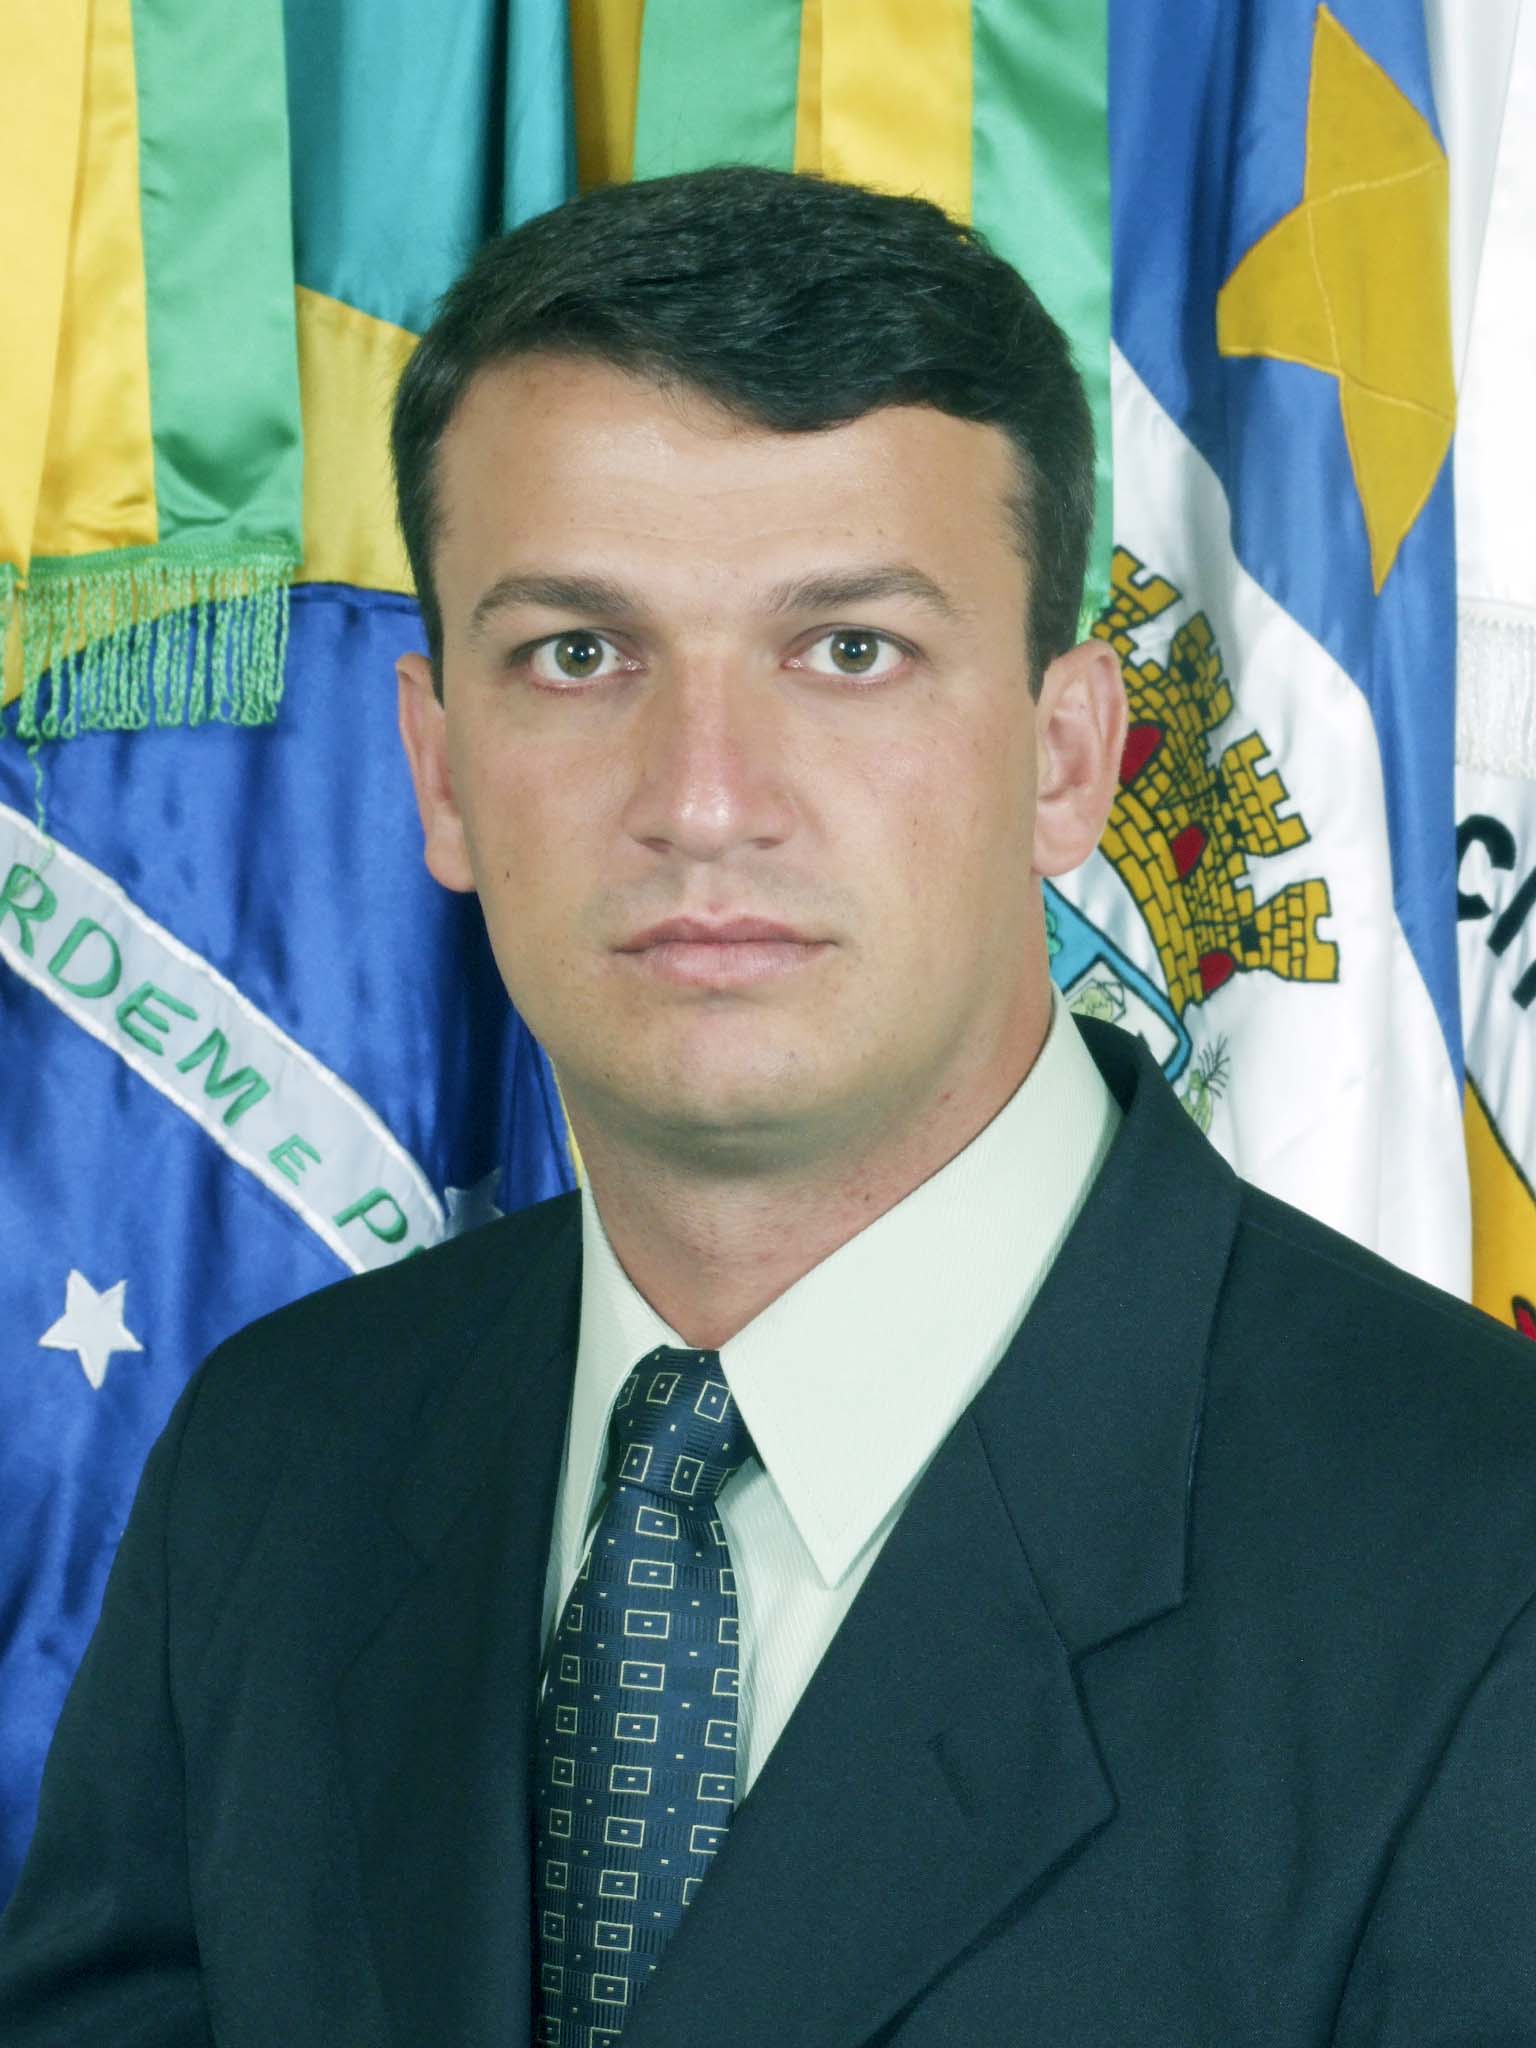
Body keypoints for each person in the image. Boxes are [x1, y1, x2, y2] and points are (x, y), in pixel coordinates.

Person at [1, 165, 1534, 2048]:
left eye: (850, 651)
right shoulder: (276, 1464)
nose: (706, 799)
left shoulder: (1485, 1564)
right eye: (580, 654)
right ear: (443, 770)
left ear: (1068, 758)